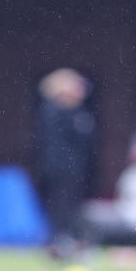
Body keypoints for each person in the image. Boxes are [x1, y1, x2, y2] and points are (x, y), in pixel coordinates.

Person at [33, 67, 97, 258]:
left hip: (73, 168)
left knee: (71, 206)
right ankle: (60, 242)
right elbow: (75, 136)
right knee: (61, 206)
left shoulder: (76, 112)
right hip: (60, 168)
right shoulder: (55, 111)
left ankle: (68, 241)